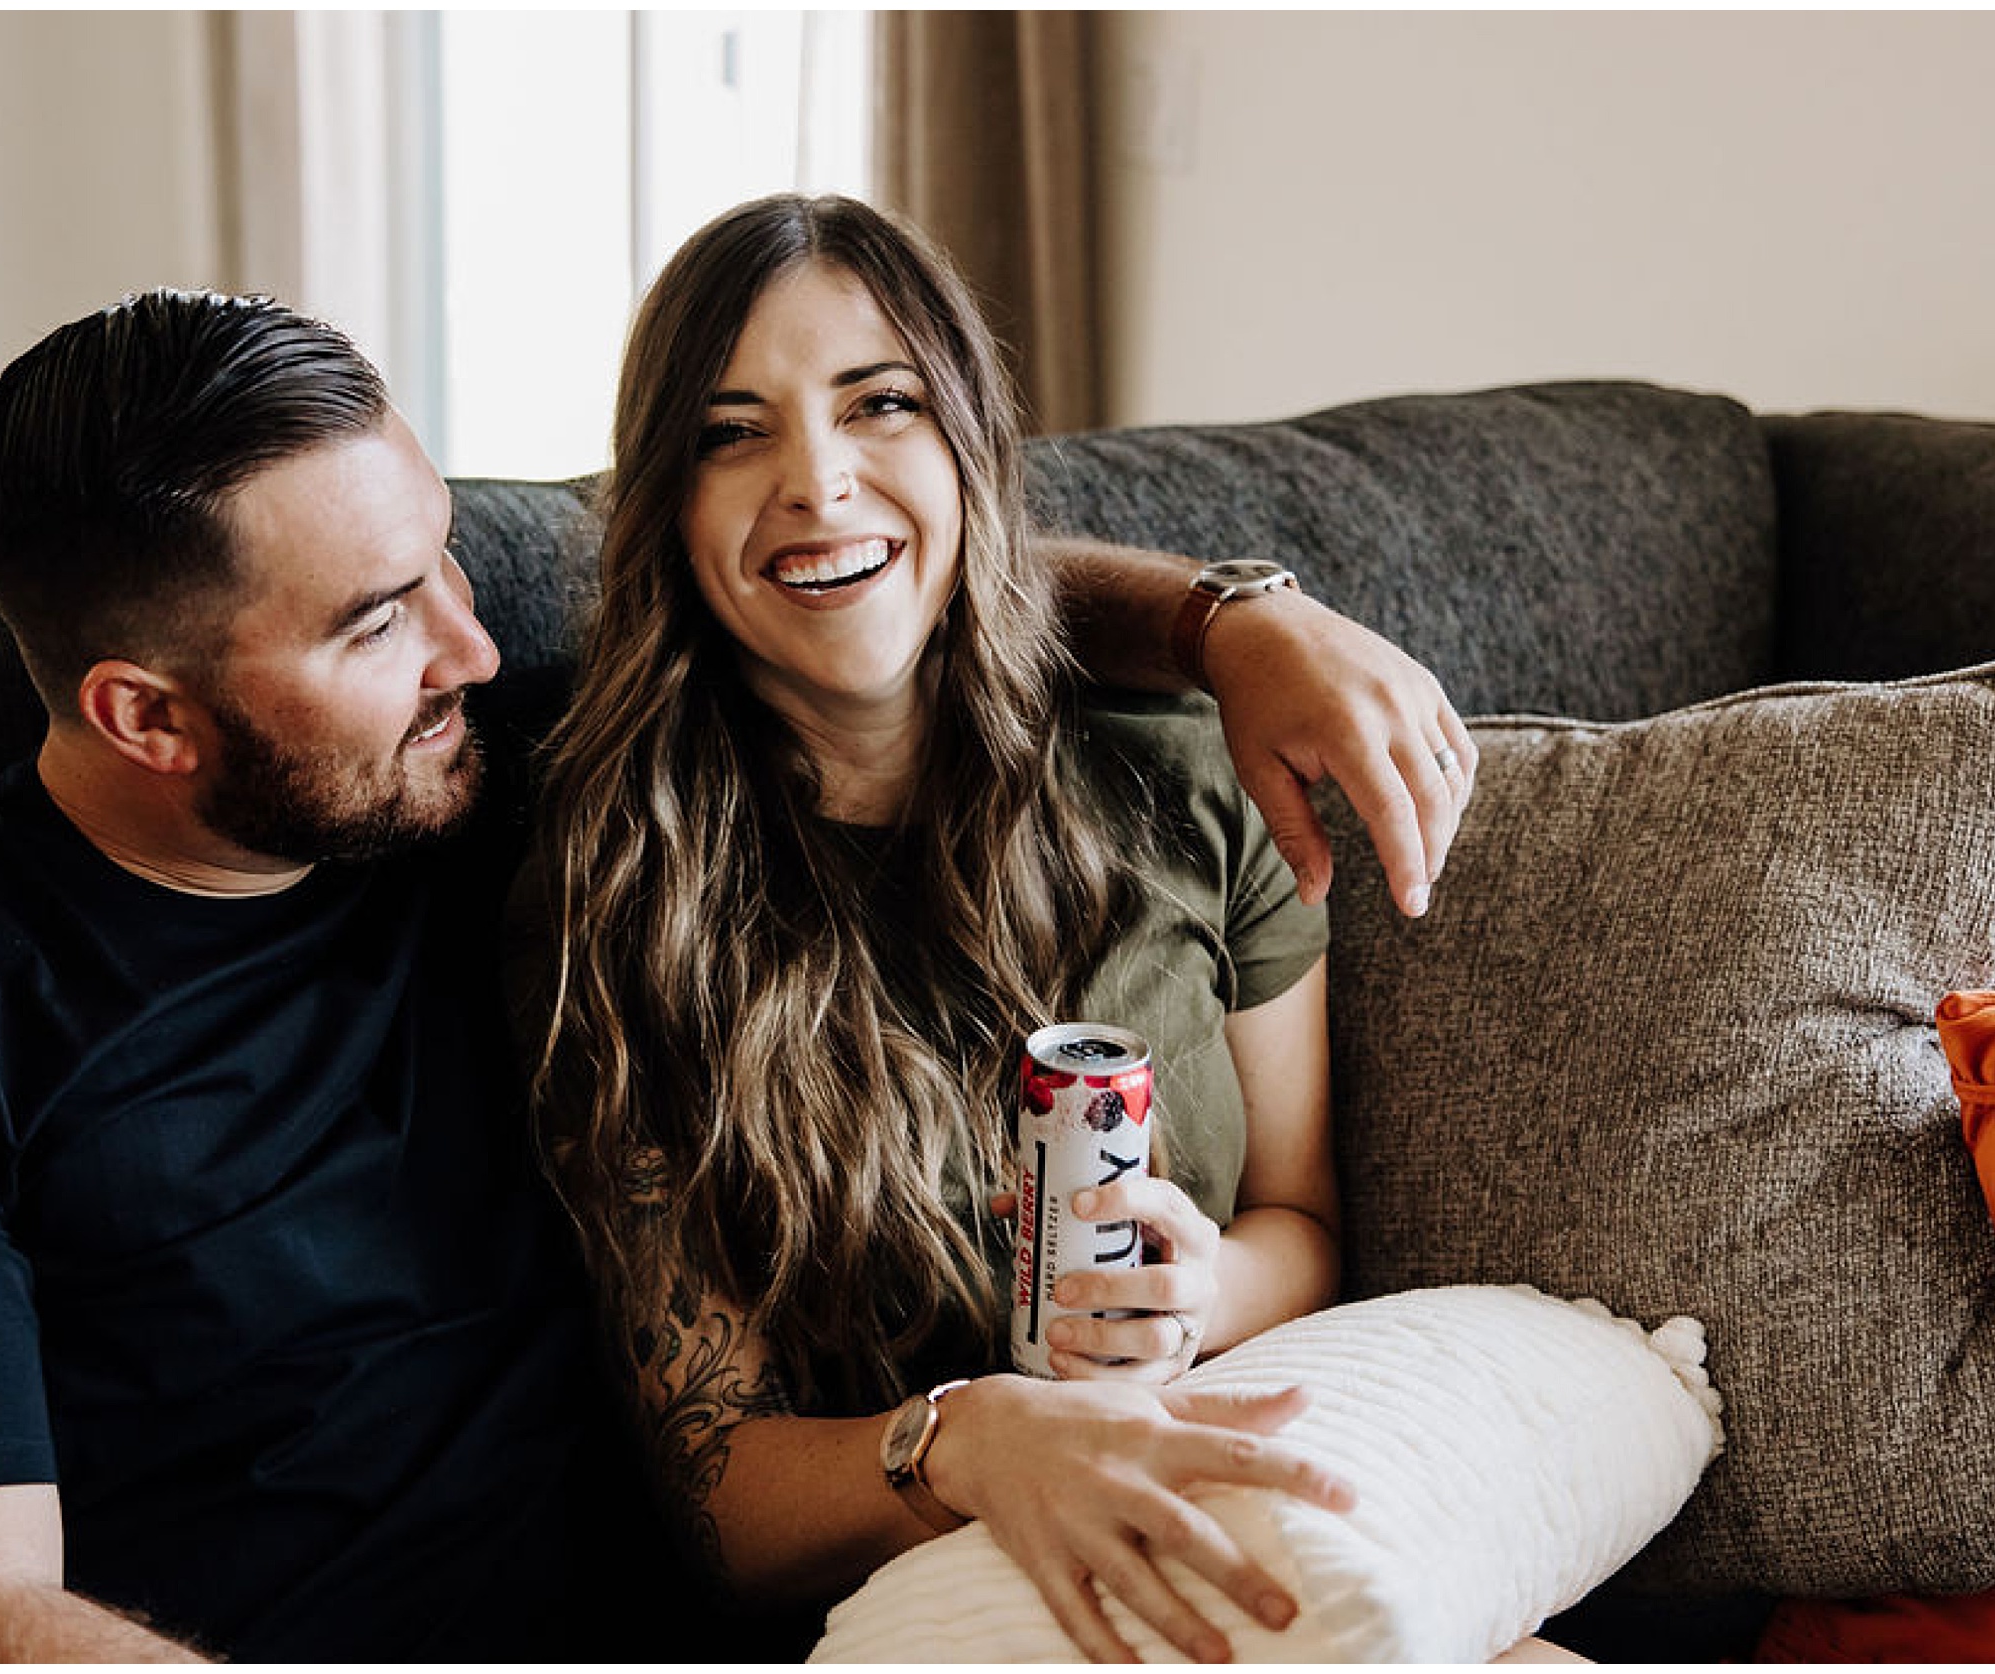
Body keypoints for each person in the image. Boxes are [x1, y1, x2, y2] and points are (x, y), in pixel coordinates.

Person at [0, 284, 1471, 1662]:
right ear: (146, 714)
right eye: (378, 620)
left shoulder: (506, 774)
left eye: (445, 551)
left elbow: (861, 586)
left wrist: (1241, 619)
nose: (472, 636)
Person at [511, 194, 1457, 1664]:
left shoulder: (1191, 774)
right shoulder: (626, 888)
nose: (819, 484)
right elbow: (721, 1502)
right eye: (733, 431)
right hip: (929, 1602)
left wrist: (1198, 1294)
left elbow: (1307, 1222)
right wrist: (961, 1441)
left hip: (1239, 1509)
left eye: (878, 403)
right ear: (669, 504)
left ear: (967, 439)